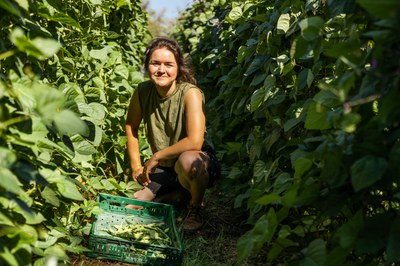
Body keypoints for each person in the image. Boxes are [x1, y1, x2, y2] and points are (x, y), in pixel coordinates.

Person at [125, 37, 220, 231]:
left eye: (169, 64)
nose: (161, 70)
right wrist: (136, 166)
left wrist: (156, 156)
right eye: (155, 63)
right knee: (132, 205)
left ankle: (196, 207)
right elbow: (130, 125)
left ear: (178, 68)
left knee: (188, 161)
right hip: (166, 168)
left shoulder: (190, 93)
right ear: (147, 66)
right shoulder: (143, 91)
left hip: (198, 162)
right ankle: (178, 195)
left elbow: (194, 141)